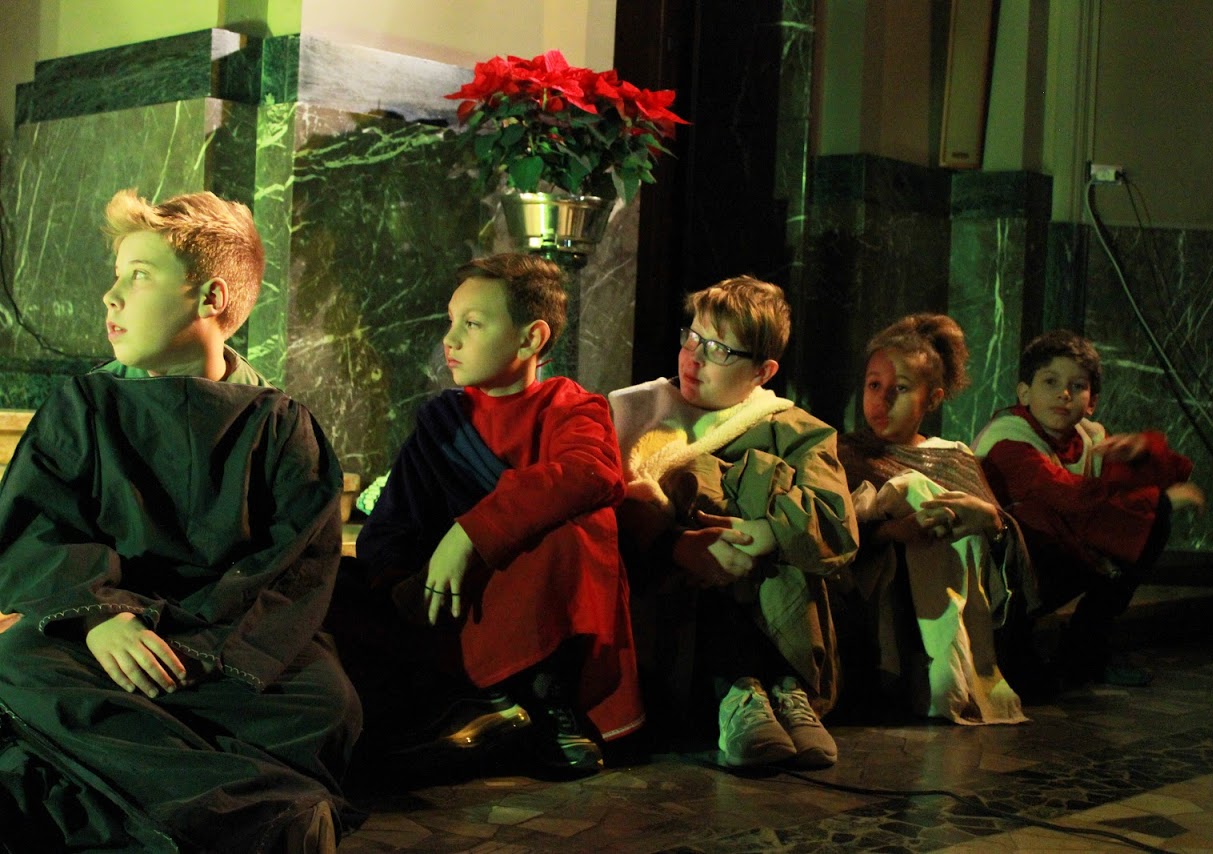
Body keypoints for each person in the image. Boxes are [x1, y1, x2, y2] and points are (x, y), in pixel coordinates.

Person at [0, 189, 360, 852]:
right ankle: (268, 810)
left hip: (225, 644)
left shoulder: (281, 425)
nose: (110, 296)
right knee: (17, 661)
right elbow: (40, 527)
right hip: (104, 639)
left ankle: (138, 793)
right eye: (116, 276)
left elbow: (291, 566)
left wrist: (200, 649)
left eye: (138, 276)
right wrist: (101, 617)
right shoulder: (84, 407)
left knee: (325, 700)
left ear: (210, 298)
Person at [354, 254, 643, 775]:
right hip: (459, 608)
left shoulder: (572, 407)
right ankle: (483, 701)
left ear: (531, 339)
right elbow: (392, 525)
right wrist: (401, 585)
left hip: (543, 612)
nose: (450, 339)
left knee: (580, 524)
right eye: (451, 321)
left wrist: (470, 533)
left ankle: (545, 698)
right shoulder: (443, 421)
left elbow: (591, 473)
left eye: (472, 324)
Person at [609, 276, 858, 768]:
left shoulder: (792, 428)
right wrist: (679, 542)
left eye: (719, 350)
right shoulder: (639, 412)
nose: (693, 358)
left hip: (778, 603)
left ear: (762, 371)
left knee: (769, 492)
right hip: (678, 605)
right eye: (693, 337)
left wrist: (763, 533)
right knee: (714, 489)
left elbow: (835, 525)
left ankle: (786, 688)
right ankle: (737, 689)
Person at [973, 329, 1205, 687]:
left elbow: (1146, 481)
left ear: (1092, 401)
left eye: (1077, 386)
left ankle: (1085, 646)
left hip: (1061, 558)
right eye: (1050, 381)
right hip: (1001, 578)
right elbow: (1072, 498)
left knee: (1149, 523)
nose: (1064, 394)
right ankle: (1015, 650)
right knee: (1142, 513)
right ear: (1024, 392)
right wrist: (1160, 501)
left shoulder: (1088, 437)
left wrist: (1139, 453)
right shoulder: (1008, 440)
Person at [836, 314, 1030, 724]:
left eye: (901, 388)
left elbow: (1008, 555)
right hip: (874, 610)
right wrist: (893, 530)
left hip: (951, 595)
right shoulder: (843, 454)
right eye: (874, 385)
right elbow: (831, 532)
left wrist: (990, 522)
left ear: (933, 398)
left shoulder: (953, 458)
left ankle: (950, 673)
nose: (883, 400)